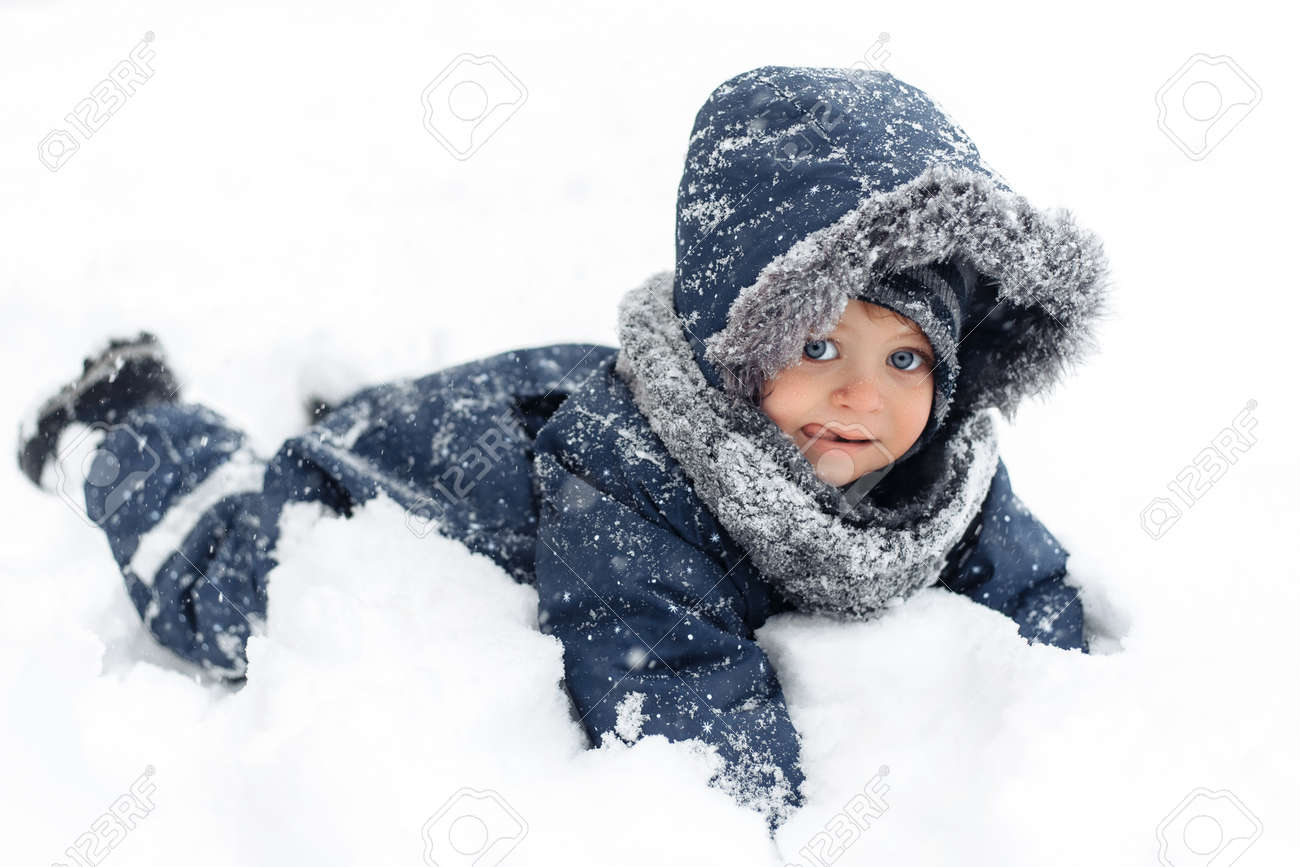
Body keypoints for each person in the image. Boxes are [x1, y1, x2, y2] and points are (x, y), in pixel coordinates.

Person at [17, 65, 1111, 829]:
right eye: (818, 341)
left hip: (528, 397)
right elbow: (664, 683)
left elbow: (1026, 587)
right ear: (740, 340)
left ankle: (349, 397)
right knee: (231, 594)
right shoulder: (634, 479)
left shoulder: (942, 474)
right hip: (434, 484)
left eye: (906, 360)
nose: (858, 395)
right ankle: (132, 421)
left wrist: (1054, 708)